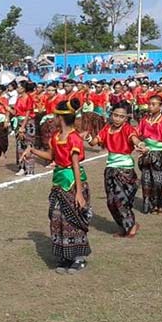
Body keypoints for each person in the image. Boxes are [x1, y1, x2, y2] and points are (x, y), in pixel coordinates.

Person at [22, 97, 91, 274]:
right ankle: (66, 255)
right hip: (58, 181)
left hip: (73, 182)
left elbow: (75, 164)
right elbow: (50, 157)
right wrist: (32, 150)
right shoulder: (56, 137)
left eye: (55, 116)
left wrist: (79, 193)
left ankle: (78, 258)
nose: (52, 118)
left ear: (61, 118)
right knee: (58, 218)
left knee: (73, 219)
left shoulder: (74, 138)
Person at [86, 103, 141, 238]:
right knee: (111, 202)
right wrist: (88, 138)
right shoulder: (107, 129)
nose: (117, 119)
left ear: (126, 118)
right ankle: (123, 226)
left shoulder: (128, 129)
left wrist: (140, 144)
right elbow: (94, 142)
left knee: (122, 201)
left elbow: (135, 139)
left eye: (121, 116)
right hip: (110, 169)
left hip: (125, 170)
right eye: (115, 115)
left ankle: (131, 225)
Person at [137, 95, 162, 215]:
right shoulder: (144, 120)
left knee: (161, 181)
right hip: (147, 153)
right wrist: (140, 144)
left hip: (160, 152)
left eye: (154, 104)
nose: (150, 106)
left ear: (161, 106)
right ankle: (152, 205)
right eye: (149, 104)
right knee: (147, 180)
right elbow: (138, 133)